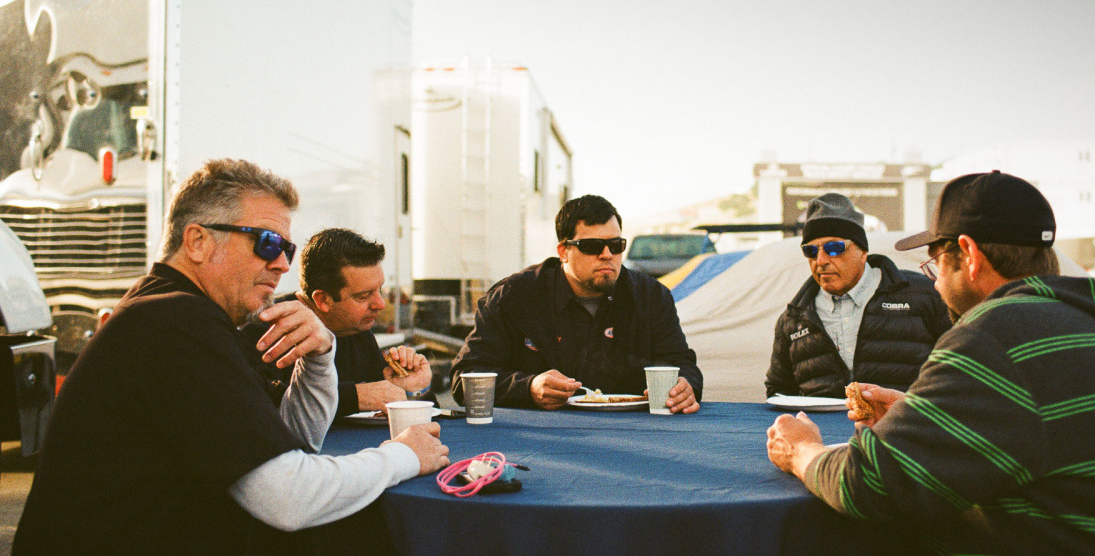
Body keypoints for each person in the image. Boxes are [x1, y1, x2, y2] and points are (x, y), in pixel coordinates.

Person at [767, 171, 1095, 556]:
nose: (934, 282)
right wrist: (923, 412)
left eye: (936, 264)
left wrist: (802, 451)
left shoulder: (998, 333)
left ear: (969, 255)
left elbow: (871, 484)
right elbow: (1044, 427)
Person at [12, 159, 450, 556]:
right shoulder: (174, 321)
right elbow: (289, 499)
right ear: (198, 241)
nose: (281, 264)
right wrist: (402, 455)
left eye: (287, 249)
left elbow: (293, 442)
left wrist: (319, 358)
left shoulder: (175, 311)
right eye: (266, 242)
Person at [450, 194, 702, 412]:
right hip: (539, 437)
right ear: (563, 251)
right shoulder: (513, 298)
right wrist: (528, 388)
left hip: (635, 433)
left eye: (616, 245)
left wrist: (686, 387)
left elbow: (682, 363)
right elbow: (465, 380)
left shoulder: (650, 297)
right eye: (592, 246)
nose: (607, 254)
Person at [764, 192, 951, 398]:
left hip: (904, 428)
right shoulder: (793, 319)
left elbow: (959, 373)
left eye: (834, 248)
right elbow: (778, 390)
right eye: (811, 251)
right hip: (822, 431)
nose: (821, 260)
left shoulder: (923, 295)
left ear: (862, 252)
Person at [242, 228, 435, 418]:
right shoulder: (265, 329)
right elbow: (254, 405)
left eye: (379, 290)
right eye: (364, 296)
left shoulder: (356, 328)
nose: (380, 304)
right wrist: (355, 397)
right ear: (323, 300)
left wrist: (414, 390)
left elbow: (387, 400)